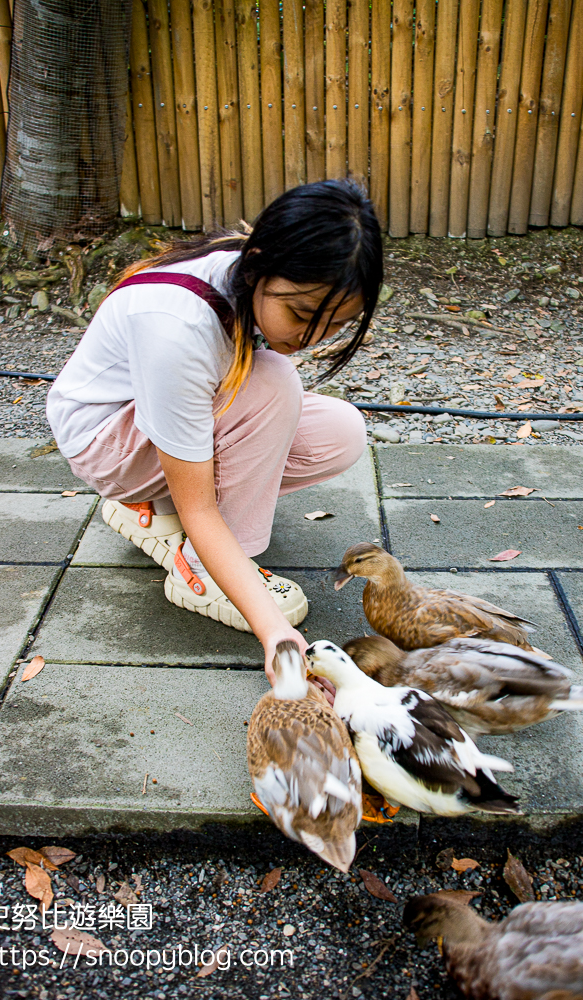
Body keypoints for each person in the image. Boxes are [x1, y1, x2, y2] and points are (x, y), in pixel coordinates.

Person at [46, 179, 383, 686]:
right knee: (273, 382)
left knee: (340, 431)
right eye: (302, 315)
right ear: (260, 265)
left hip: (153, 424)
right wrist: (273, 632)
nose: (312, 338)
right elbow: (202, 507)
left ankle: (159, 509)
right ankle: (205, 572)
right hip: (105, 440)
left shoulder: (245, 273)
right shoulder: (177, 327)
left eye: (337, 324)